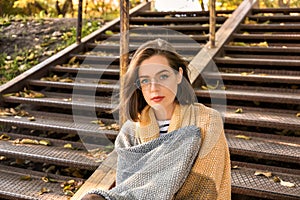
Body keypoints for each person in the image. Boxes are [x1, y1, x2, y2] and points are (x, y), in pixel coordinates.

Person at [82, 39, 231, 200]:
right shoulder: (130, 131)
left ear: (179, 75)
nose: (154, 88)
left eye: (163, 76)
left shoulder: (207, 120)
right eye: (145, 80)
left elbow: (205, 185)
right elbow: (126, 186)